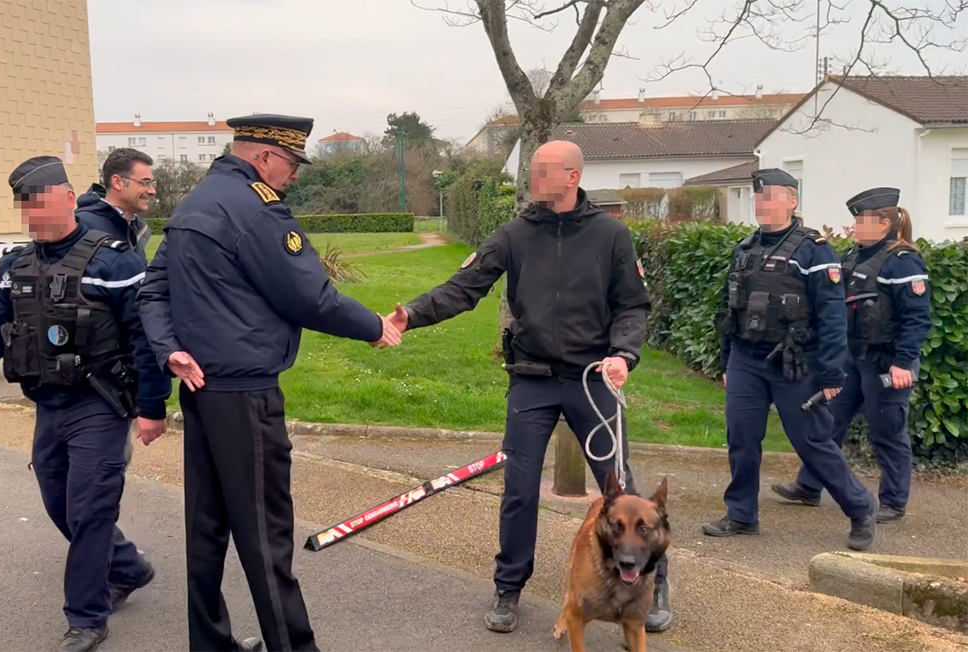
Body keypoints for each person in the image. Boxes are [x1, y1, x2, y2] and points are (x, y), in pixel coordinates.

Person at [135, 114, 402, 652]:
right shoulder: (256, 210)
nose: (295, 175)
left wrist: (170, 353)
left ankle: (210, 644)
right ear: (263, 157)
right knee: (266, 537)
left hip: (201, 391)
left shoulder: (192, 203)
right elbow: (308, 295)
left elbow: (152, 293)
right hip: (246, 394)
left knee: (206, 531)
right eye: (291, 163)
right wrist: (374, 326)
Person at [382, 140, 673, 635]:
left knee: (624, 494)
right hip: (533, 380)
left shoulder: (611, 235)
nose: (533, 179)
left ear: (571, 177)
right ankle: (508, 586)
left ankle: (652, 584)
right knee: (518, 490)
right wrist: (411, 315)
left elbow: (632, 305)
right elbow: (464, 287)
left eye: (543, 171)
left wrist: (623, 355)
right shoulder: (514, 234)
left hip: (591, 380)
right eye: (531, 170)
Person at [0, 156, 171, 652]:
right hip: (48, 404)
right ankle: (130, 567)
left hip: (98, 402)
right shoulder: (14, 265)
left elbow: (147, 337)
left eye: (43, 204)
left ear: (70, 198)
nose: (35, 217)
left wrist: (153, 407)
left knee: (90, 510)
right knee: (61, 506)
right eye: (27, 208)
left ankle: (87, 619)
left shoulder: (114, 261)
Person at [704, 168, 879, 550]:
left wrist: (832, 374)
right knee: (741, 438)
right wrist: (726, 362)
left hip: (795, 363)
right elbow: (729, 311)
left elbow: (833, 317)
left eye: (771, 198)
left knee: (812, 442)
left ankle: (861, 507)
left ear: (792, 201)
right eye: (759, 199)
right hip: (747, 360)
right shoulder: (745, 248)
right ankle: (741, 514)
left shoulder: (814, 251)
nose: (763, 205)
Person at [772, 187, 931, 523]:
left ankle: (893, 501)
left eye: (861, 219)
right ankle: (810, 485)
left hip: (886, 362)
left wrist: (904, 361)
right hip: (852, 358)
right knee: (829, 422)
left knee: (887, 432)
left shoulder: (904, 262)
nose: (855, 226)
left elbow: (916, 318)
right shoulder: (853, 256)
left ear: (885, 224)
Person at [76, 147, 156, 265]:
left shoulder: (136, 227)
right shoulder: (82, 226)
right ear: (117, 182)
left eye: (152, 183)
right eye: (144, 183)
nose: (152, 191)